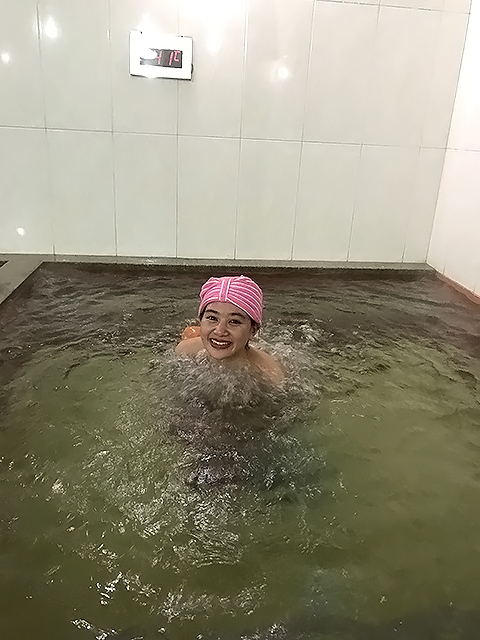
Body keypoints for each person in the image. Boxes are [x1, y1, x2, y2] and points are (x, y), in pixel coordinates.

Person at [175, 275, 284, 384]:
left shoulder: (269, 377)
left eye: (234, 321)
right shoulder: (185, 351)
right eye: (212, 318)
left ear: (253, 330)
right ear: (201, 320)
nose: (220, 331)